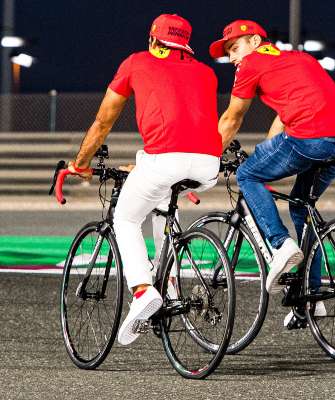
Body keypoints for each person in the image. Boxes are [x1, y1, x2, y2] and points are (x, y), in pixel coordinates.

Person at [66, 14, 222, 345]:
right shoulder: (206, 72)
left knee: (125, 217)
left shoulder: (138, 62)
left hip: (165, 159)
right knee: (164, 201)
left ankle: (141, 291)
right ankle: (169, 282)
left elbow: (103, 120)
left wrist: (80, 163)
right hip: (209, 163)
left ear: (153, 39)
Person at [209, 20, 335, 324]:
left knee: (248, 176)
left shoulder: (250, 64)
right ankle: (310, 298)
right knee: (300, 205)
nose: (233, 57)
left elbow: (232, 118)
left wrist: (205, 157)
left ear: (252, 41)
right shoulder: (299, 58)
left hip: (311, 136)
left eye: (234, 48)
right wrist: (267, 152)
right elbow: (283, 117)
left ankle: (280, 244)